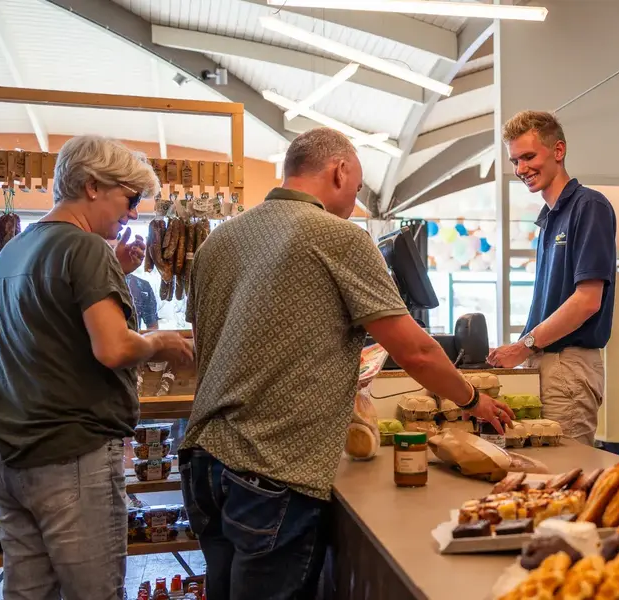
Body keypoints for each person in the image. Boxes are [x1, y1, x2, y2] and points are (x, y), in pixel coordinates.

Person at [180, 127, 514, 600]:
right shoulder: (338, 237)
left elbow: (210, 346)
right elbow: (414, 350)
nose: (355, 202)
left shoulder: (220, 241)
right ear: (339, 171)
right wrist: (473, 399)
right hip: (271, 470)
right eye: (357, 189)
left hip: (203, 465)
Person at [0, 135, 194, 599]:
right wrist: (160, 340)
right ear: (94, 186)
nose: (134, 213)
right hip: (69, 455)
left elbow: (50, 326)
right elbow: (113, 349)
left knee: (28, 591)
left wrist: (109, 267)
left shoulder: (17, 249)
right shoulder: (86, 250)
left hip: (8, 451)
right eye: (130, 198)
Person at [488, 111, 617, 446]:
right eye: (515, 160)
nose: (521, 169)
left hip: (568, 366)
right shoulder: (549, 219)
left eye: (529, 156)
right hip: (543, 361)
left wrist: (525, 345)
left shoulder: (589, 206)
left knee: (563, 474)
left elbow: (588, 301)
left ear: (558, 151)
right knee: (539, 476)